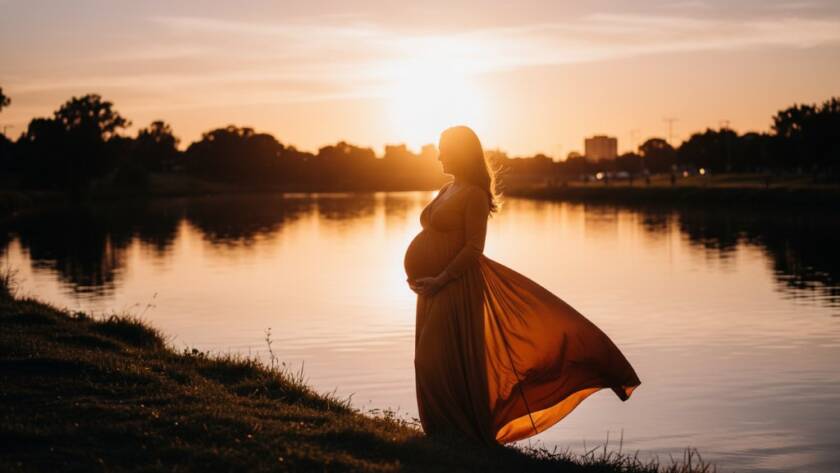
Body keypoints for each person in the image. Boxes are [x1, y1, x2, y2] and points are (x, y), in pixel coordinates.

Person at [404, 126, 641, 445]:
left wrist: (440, 278)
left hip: (454, 286)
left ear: (460, 152)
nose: (438, 154)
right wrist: (422, 276)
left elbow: (474, 248)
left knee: (436, 358)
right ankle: (443, 433)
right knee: (431, 358)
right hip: (432, 287)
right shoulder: (449, 188)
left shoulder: (473, 193)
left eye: (444, 148)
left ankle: (459, 432)